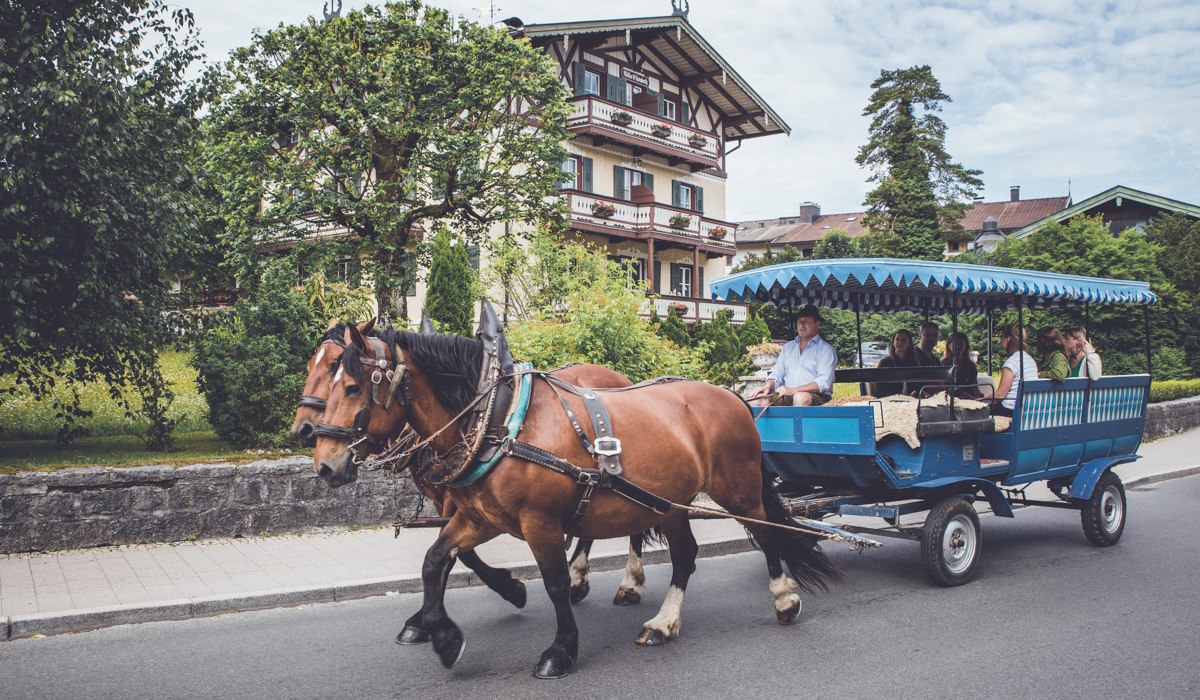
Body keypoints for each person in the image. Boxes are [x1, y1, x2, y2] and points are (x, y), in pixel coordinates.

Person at [747, 305, 836, 406]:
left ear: (817, 324)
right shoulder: (788, 347)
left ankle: (797, 422)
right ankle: (764, 422)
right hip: (788, 394)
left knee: (800, 397)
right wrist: (767, 386)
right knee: (757, 399)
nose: (801, 325)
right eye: (799, 322)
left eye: (806, 322)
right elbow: (777, 374)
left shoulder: (826, 350)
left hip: (817, 396)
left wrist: (793, 390)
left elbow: (823, 383)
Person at [991, 324, 1038, 417]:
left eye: (1002, 337)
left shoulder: (1012, 362)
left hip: (1011, 410)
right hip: (1026, 408)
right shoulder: (1030, 360)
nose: (1000, 340)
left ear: (1008, 339)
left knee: (979, 412)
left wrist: (983, 399)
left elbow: (1000, 395)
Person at [870, 329, 921, 398]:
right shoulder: (885, 363)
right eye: (897, 340)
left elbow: (917, 386)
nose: (900, 342)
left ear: (909, 344)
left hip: (911, 401)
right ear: (893, 343)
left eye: (903, 340)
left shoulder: (913, 363)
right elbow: (879, 390)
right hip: (889, 401)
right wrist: (898, 398)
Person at [943, 332, 984, 399]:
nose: (958, 347)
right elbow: (944, 388)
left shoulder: (970, 366)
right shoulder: (943, 365)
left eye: (961, 344)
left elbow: (973, 387)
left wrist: (979, 397)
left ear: (965, 346)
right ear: (949, 345)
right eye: (955, 344)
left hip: (968, 400)